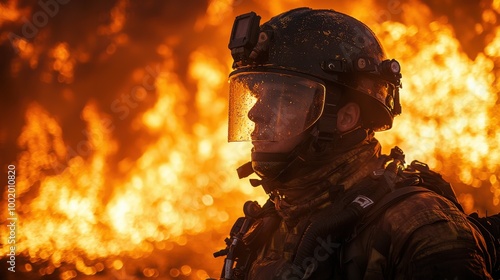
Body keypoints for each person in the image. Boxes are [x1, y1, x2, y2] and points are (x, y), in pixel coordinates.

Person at [213, 7, 498, 279]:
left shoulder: (420, 228)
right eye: (259, 95)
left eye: (283, 98)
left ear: (345, 117)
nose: (255, 112)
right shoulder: (267, 226)